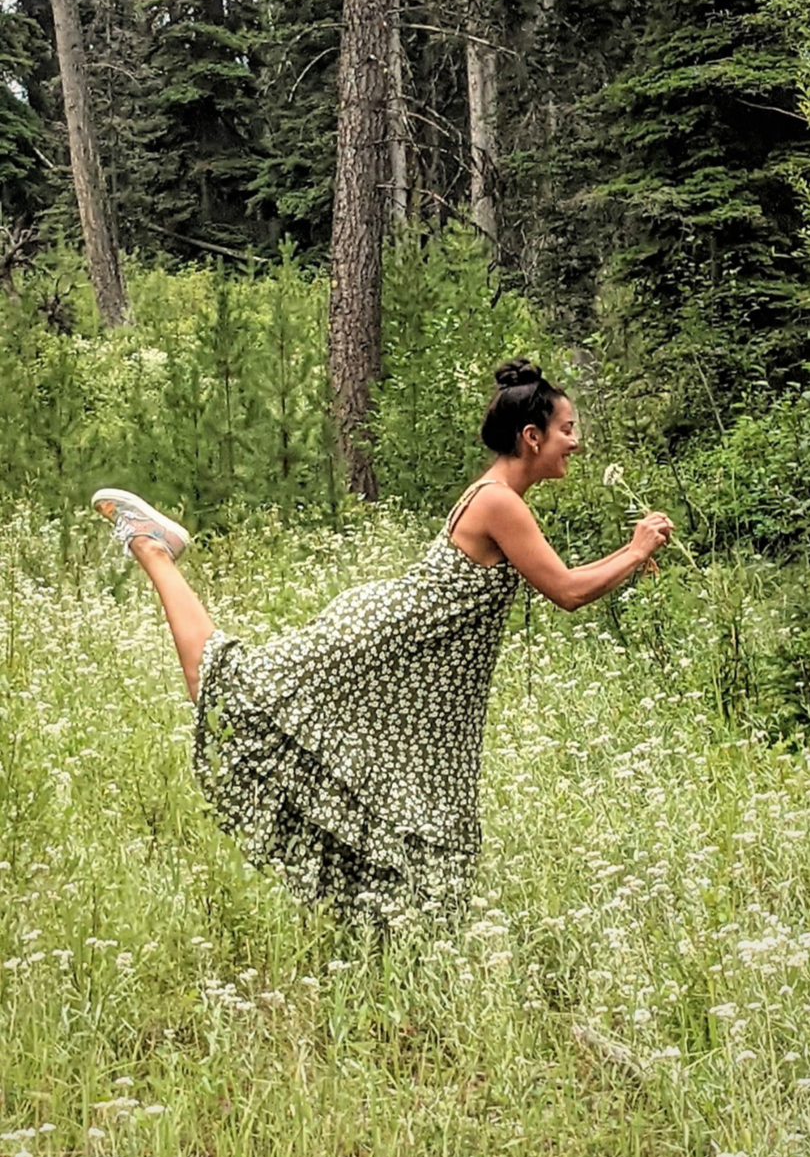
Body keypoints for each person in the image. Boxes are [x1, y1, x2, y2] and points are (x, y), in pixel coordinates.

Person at [91, 359, 672, 924]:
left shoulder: (499, 496)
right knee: (225, 689)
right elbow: (567, 591)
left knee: (398, 786)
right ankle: (152, 547)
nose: (576, 442)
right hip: (382, 637)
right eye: (567, 430)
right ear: (531, 437)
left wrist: (630, 554)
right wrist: (637, 548)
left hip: (403, 652)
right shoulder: (499, 501)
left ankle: (398, 928)